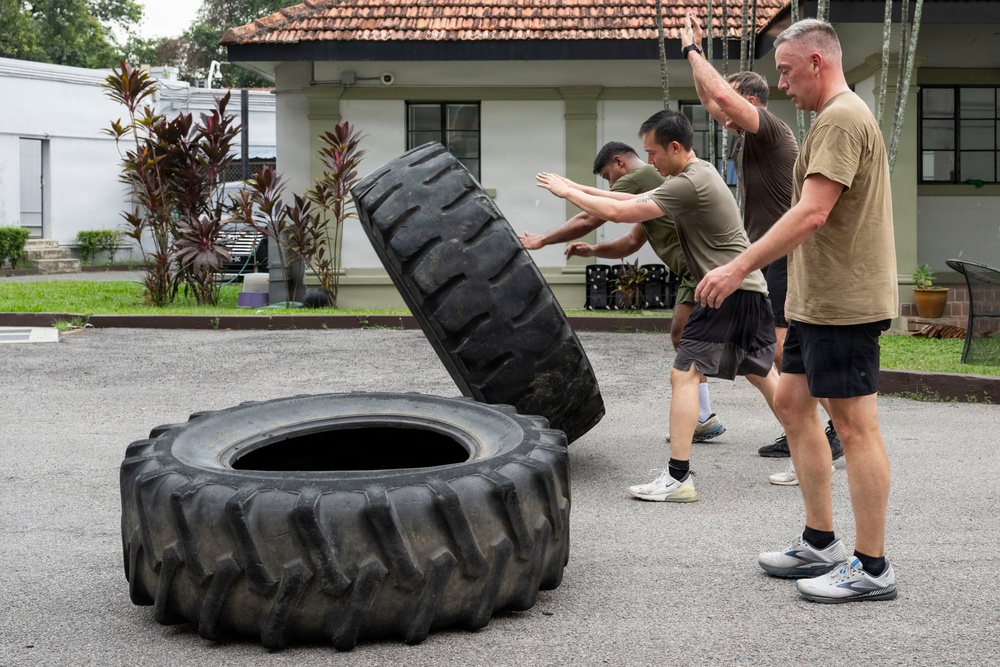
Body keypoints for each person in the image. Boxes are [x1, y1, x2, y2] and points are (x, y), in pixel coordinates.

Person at [695, 19, 898, 602]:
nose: (781, 82)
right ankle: (820, 541)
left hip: (844, 302)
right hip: (816, 298)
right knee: (791, 400)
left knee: (855, 427)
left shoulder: (839, 118)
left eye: (785, 70)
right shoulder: (829, 118)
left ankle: (873, 567)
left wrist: (737, 267)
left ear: (816, 61)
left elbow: (811, 213)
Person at [537, 110, 780, 503]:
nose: (649, 162)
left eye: (653, 153)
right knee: (762, 373)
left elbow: (618, 211)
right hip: (748, 289)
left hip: (723, 290)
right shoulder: (695, 175)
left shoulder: (689, 183)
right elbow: (618, 200)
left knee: (683, 375)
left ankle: (678, 477)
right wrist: (575, 185)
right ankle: (811, 454)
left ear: (675, 147)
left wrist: (566, 191)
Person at [679, 13, 842, 475]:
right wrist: (692, 55)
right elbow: (715, 99)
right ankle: (808, 430)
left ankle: (830, 430)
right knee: (772, 356)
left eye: (732, 103)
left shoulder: (769, 130)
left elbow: (723, 98)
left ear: (750, 101)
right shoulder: (744, 139)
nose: (721, 113)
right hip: (766, 257)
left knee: (784, 354)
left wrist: (693, 51)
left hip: (786, 254)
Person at [520, 141, 724, 442]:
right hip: (695, 273)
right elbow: (630, 243)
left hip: (699, 271)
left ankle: (704, 417)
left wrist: (543, 240)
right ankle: (704, 415)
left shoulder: (637, 177)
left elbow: (592, 217)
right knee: (695, 340)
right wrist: (593, 250)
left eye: (607, 176)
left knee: (695, 341)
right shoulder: (649, 192)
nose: (610, 183)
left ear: (619, 163)